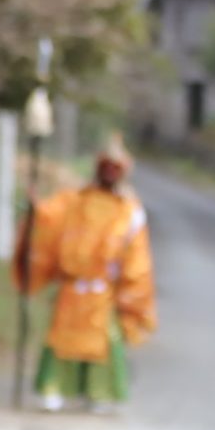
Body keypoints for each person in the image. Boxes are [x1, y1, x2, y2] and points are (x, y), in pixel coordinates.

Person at [17, 135, 156, 413]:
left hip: (103, 292)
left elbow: (136, 258)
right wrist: (36, 210)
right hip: (71, 289)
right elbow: (50, 218)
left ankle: (99, 393)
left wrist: (130, 296)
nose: (109, 172)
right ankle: (55, 388)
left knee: (103, 342)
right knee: (61, 339)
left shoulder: (129, 211)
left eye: (115, 168)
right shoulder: (75, 200)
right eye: (106, 166)